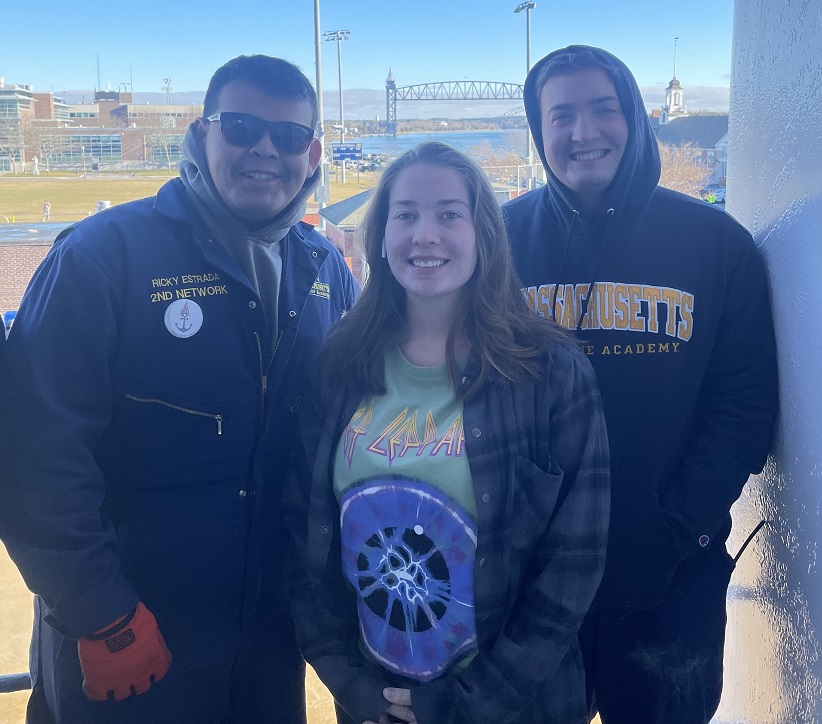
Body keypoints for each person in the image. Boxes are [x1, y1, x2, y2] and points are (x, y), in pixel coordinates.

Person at [0, 55, 357, 724]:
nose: (264, 150)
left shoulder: (326, 269)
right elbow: (32, 457)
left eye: (286, 137)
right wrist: (99, 613)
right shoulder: (102, 257)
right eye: (242, 126)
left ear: (311, 154)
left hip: (268, 636)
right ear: (201, 134)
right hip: (127, 637)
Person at [285, 141, 610, 724]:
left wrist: (467, 706)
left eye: (448, 214)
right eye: (405, 214)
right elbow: (304, 538)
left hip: (511, 708)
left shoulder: (549, 371)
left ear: (483, 234)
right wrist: (349, 683)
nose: (424, 234)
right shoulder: (340, 363)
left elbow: (573, 566)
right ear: (380, 237)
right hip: (373, 703)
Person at [503, 45, 779, 723]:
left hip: (668, 578)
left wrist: (672, 529)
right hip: (524, 579)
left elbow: (743, 408)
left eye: (604, 109)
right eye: (561, 114)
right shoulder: (497, 241)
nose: (582, 132)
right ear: (540, 131)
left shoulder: (717, 245)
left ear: (635, 116)